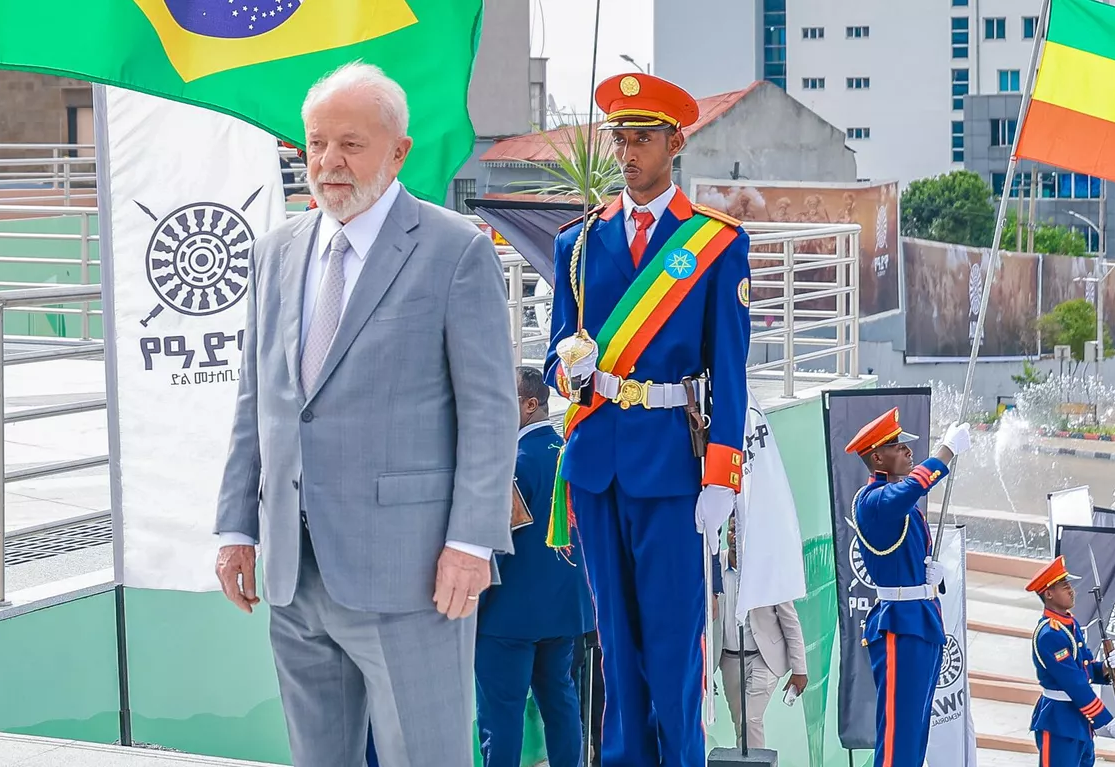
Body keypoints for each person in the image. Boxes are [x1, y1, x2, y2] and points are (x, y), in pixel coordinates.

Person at [212, 61, 518, 767]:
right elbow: (256, 402)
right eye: (316, 143)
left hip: (412, 575)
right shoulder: (276, 251)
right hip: (294, 572)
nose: (328, 162)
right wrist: (236, 526)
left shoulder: (454, 249)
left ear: (399, 150)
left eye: (350, 144)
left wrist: (472, 542)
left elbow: (490, 411)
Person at [541, 72, 751, 767]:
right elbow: (555, 354)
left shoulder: (715, 244)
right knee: (614, 641)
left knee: (671, 640)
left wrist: (722, 476)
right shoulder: (577, 242)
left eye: (641, 139)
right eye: (620, 138)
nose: (627, 152)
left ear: (675, 141)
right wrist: (565, 371)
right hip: (598, 462)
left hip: (671, 464)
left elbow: (732, 369)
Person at [474, 367, 595, 767]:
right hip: (564, 612)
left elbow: (491, 542)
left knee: (501, 717)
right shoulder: (572, 454)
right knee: (561, 704)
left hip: (507, 615)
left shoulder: (511, 463)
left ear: (530, 405)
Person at [844, 408, 969, 767]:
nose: (908, 451)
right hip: (900, 625)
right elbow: (914, 485)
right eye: (898, 446)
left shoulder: (897, 503)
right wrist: (945, 451)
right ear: (878, 457)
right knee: (898, 734)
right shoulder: (873, 501)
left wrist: (927, 576)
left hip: (921, 618)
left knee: (915, 732)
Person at [1029, 555, 1115, 765]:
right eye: (1063, 586)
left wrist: (1106, 667)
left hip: (1080, 720)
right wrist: (1110, 723)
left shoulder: (1069, 623)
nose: (1071, 590)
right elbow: (1075, 684)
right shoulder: (1050, 634)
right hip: (1060, 721)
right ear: (1048, 594)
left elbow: (1084, 669)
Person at [714, 514, 809, 750]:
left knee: (750, 720)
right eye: (732, 530)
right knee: (741, 725)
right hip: (728, 659)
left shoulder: (768, 570)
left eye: (742, 532)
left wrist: (800, 669)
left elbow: (790, 620)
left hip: (763, 658)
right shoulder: (713, 569)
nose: (735, 537)